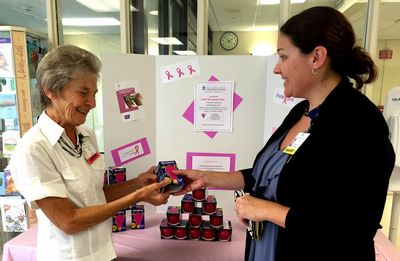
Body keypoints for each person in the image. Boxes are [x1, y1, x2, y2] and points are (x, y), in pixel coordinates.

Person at [173, 6, 395, 261]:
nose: (277, 69)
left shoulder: (360, 123)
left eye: (283, 57)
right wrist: (205, 177)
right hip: (267, 249)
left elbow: (351, 228)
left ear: (316, 57)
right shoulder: (303, 110)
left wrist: (267, 210)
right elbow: (269, 176)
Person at [7, 44, 170, 261]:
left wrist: (139, 183)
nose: (92, 103)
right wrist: (138, 197)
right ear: (50, 90)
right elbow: (68, 221)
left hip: (105, 253)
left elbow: (95, 195)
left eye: (94, 94)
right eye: (83, 93)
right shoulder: (33, 149)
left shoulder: (86, 135)